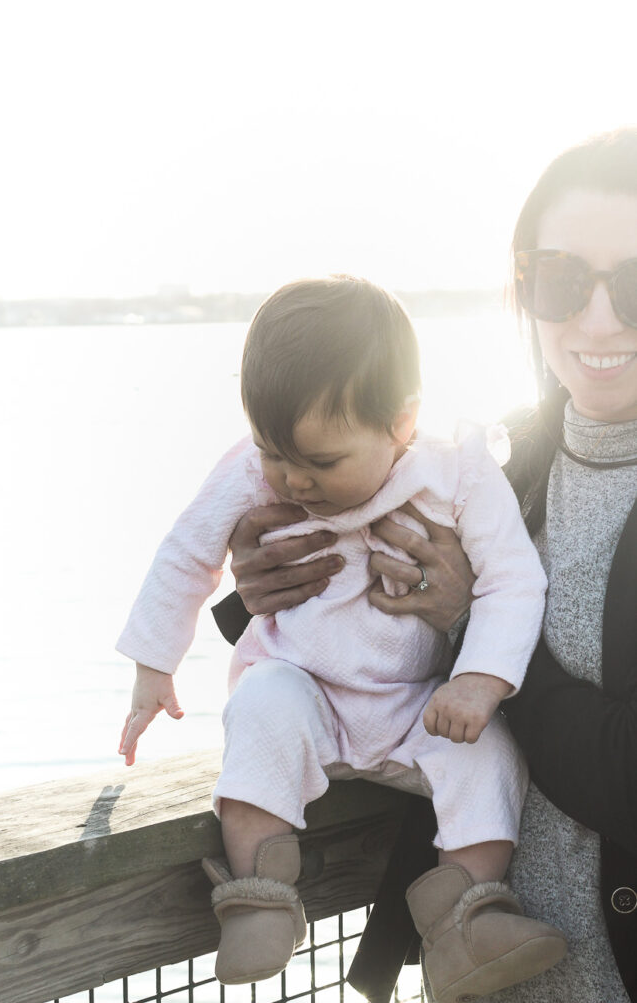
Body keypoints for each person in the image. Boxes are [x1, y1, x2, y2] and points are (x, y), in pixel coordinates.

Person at [214, 128, 637, 1003]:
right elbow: (356, 571)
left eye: (635, 280)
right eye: (561, 279)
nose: (598, 321)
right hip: (495, 981)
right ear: (522, 286)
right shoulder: (500, 458)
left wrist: (464, 626)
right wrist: (254, 586)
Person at [116, 274, 566, 999]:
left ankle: (463, 918)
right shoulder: (251, 467)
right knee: (261, 709)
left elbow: (512, 579)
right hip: (305, 689)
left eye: (320, 462)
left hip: (415, 706)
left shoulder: (459, 468)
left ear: (402, 422)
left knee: (488, 755)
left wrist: (479, 679)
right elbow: (187, 552)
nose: (291, 480)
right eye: (274, 454)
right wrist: (152, 666)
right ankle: (261, 893)